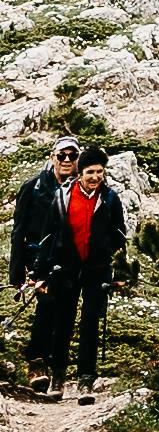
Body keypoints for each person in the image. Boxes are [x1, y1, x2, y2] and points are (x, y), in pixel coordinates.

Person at [9, 140, 123, 399]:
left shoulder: (108, 198)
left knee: (88, 321)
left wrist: (121, 271)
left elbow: (119, 236)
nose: (67, 159)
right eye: (62, 155)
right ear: (53, 157)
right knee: (56, 316)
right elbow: (25, 232)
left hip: (92, 269)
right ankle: (45, 368)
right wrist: (25, 272)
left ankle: (83, 380)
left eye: (73, 156)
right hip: (56, 264)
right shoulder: (38, 189)